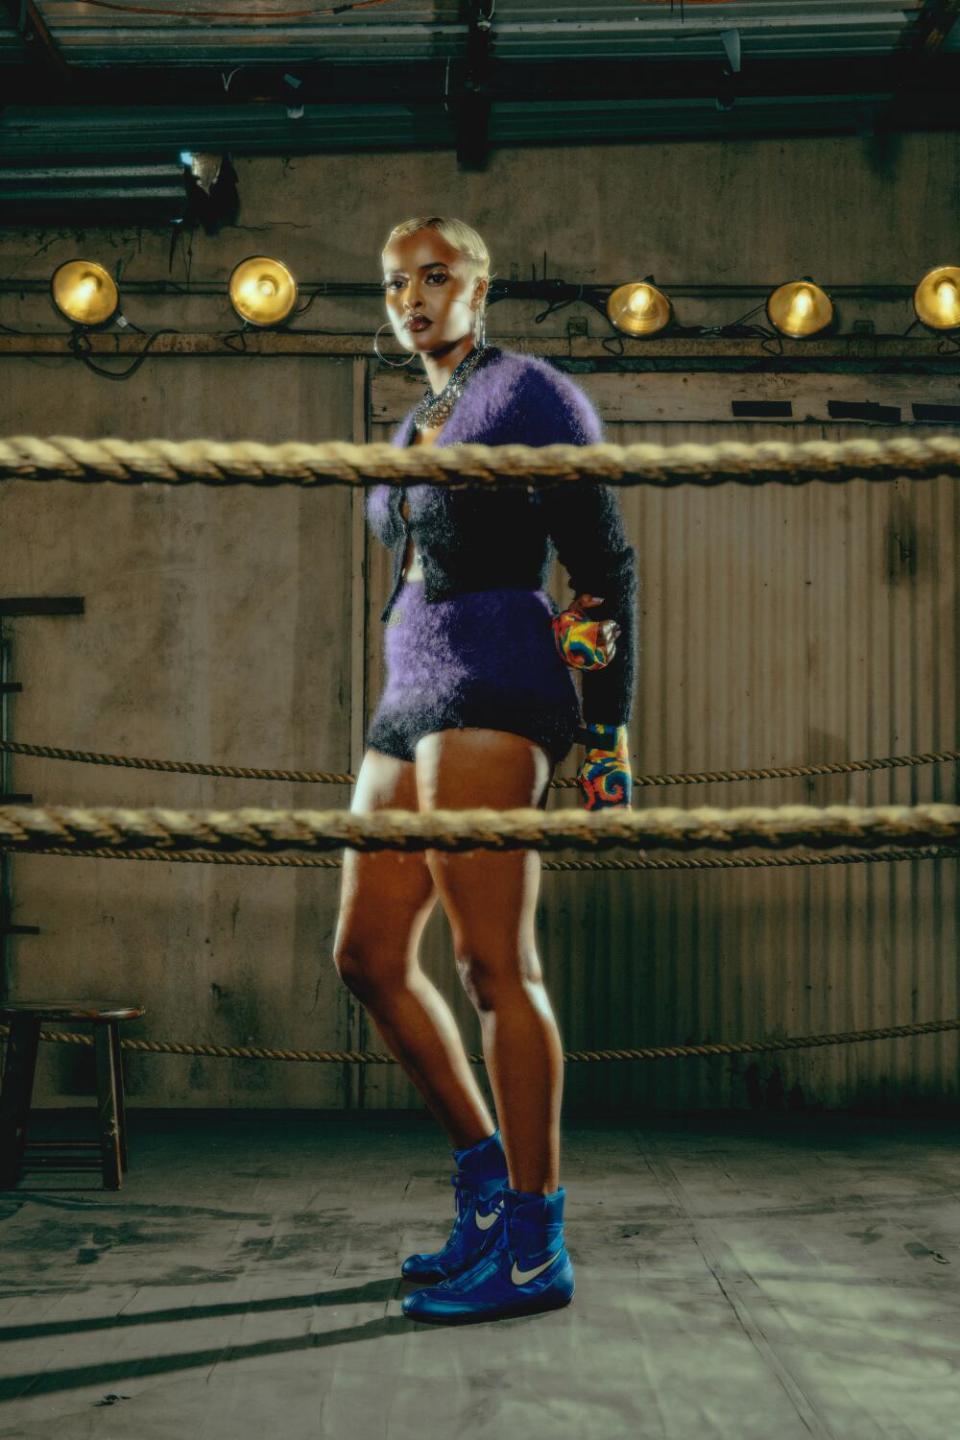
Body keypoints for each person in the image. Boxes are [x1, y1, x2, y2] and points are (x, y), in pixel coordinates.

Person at [332, 216, 637, 1324]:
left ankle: (534, 1240)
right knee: (366, 956)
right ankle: (483, 1193)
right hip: (404, 696)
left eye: (435, 277)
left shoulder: (530, 395)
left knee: (491, 965)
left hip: (499, 680)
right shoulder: (418, 419)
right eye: (394, 283)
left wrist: (605, 735)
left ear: (480, 285)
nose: (413, 298)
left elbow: (605, 565)